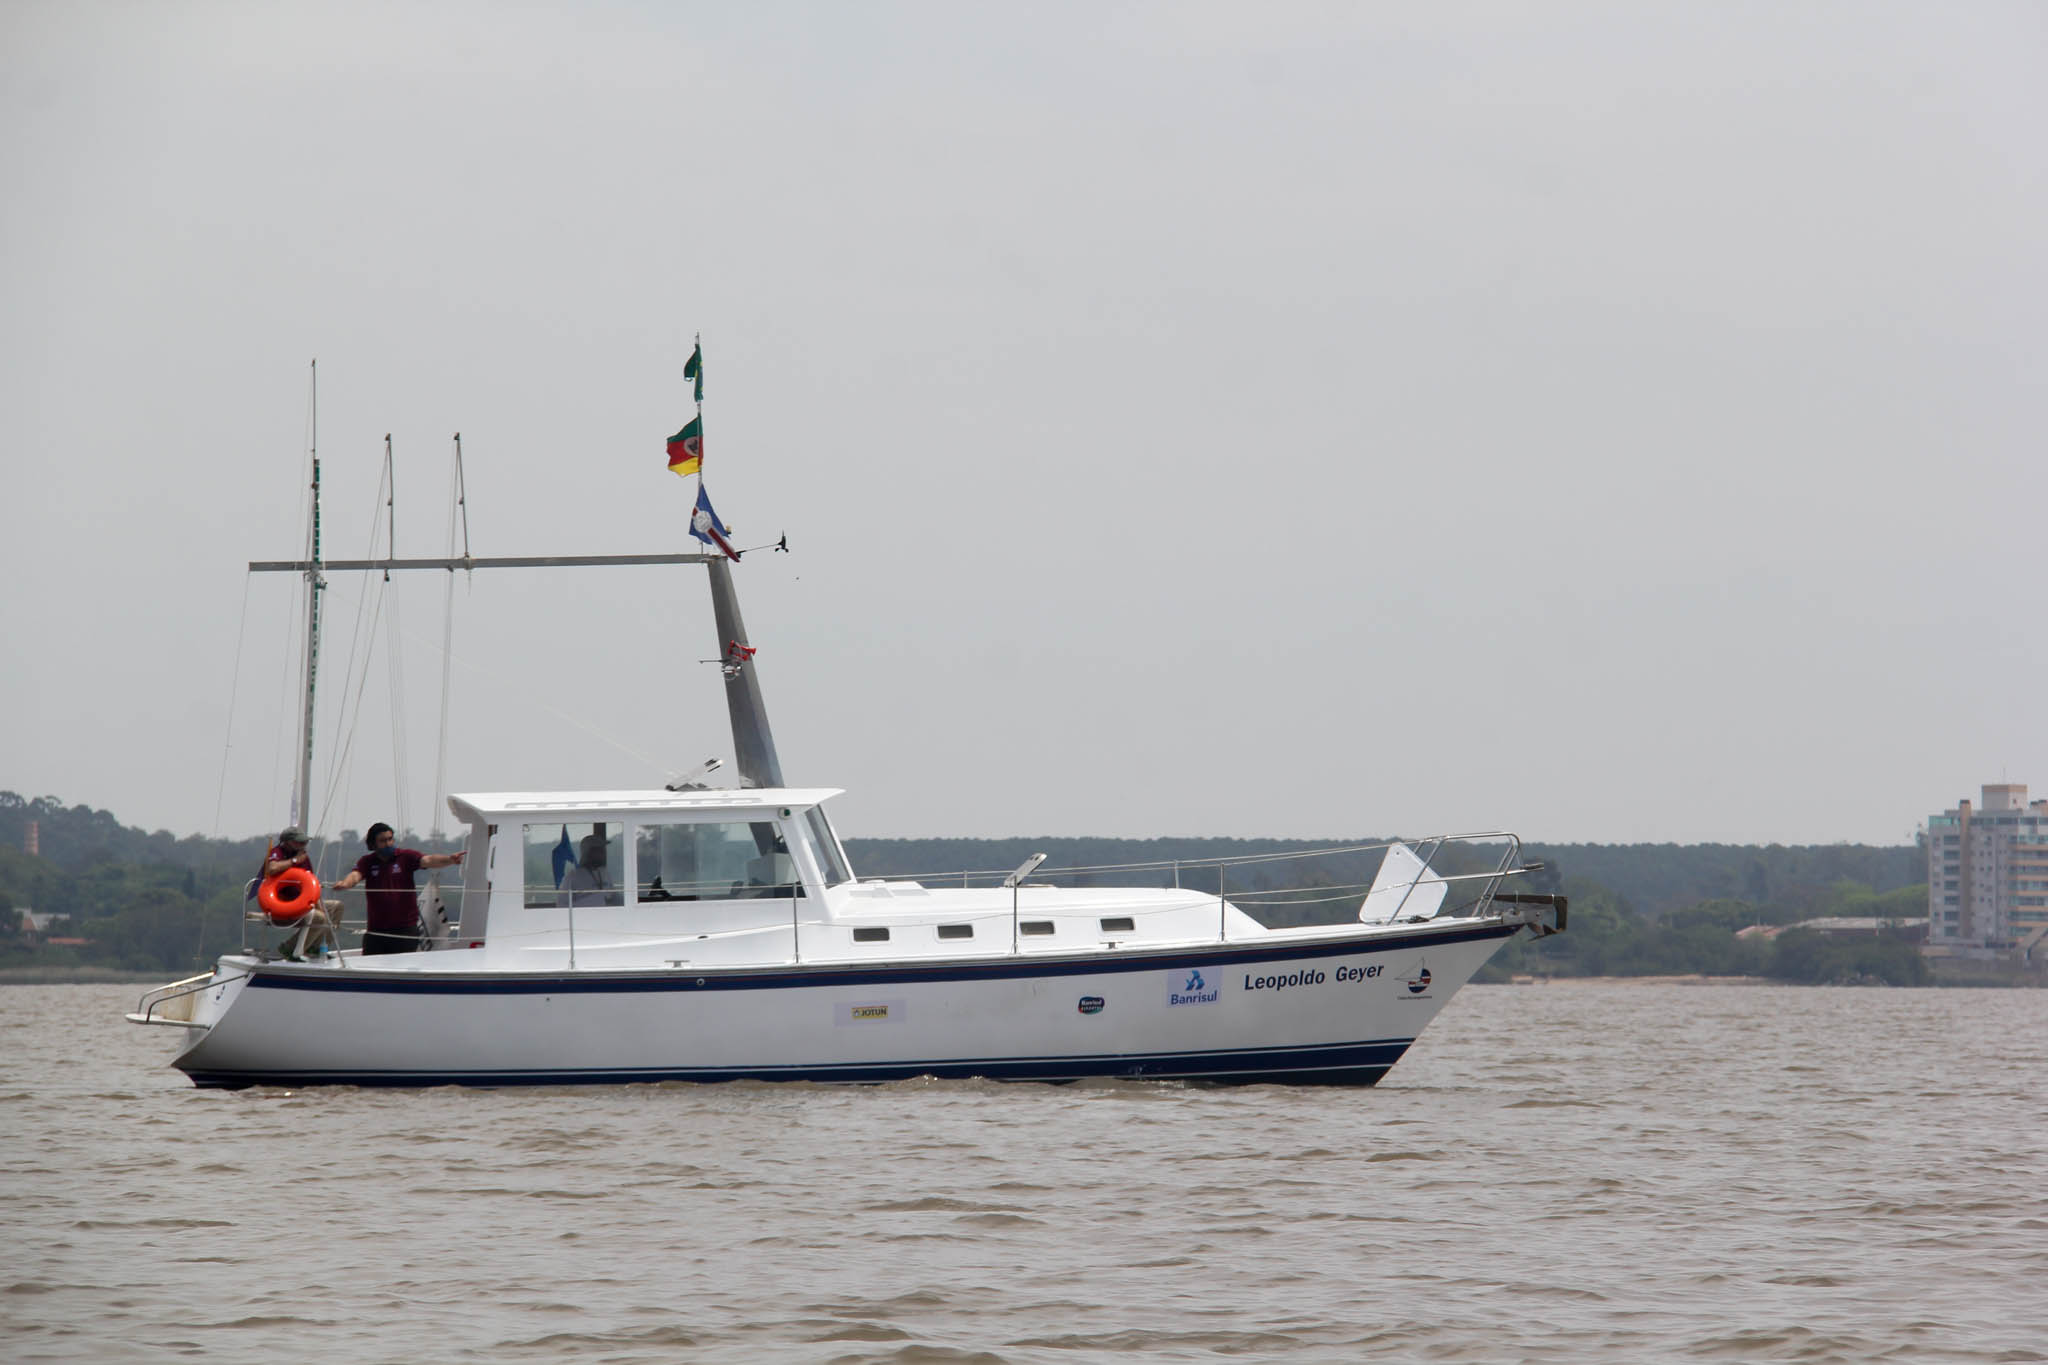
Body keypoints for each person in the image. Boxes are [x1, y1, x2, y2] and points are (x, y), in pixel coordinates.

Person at [333, 822, 466, 955]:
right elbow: (356, 875)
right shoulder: (367, 861)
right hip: (376, 930)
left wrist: (450, 859)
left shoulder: (405, 856)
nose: (388, 844)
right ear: (373, 844)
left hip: (405, 930)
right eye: (383, 841)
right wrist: (345, 883)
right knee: (369, 963)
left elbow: (428, 860)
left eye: (390, 839)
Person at [257, 826, 340, 960]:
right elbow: (272, 868)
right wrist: (294, 861)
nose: (303, 844)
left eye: (304, 842)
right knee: (319, 917)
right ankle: (290, 948)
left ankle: (316, 948)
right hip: (281, 903)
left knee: (336, 907)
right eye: (299, 842)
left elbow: (311, 885)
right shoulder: (277, 852)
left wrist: (319, 906)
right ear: (287, 842)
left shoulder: (304, 858)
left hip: (302, 901)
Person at [560, 833, 618, 907]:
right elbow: (562, 905)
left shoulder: (605, 873)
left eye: (603, 850)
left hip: (609, 913)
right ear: (588, 852)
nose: (603, 853)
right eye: (599, 850)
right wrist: (596, 900)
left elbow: (614, 896)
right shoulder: (572, 877)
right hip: (584, 914)